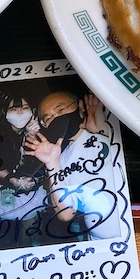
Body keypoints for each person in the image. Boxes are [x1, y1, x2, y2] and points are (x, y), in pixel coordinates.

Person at [23, 90, 121, 242]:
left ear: (80, 106)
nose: (56, 118)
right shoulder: (58, 158)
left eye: (61, 109)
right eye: (48, 118)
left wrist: (104, 130)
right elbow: (66, 213)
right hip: (98, 241)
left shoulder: (103, 131)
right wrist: (52, 164)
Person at [0, 93, 48, 250]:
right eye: (13, 109)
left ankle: (35, 246)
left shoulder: (36, 131)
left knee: (34, 222)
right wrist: (15, 180)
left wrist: (32, 136)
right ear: (4, 112)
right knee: (27, 223)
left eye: (25, 108)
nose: (20, 112)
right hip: (8, 189)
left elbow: (37, 162)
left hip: (31, 187)